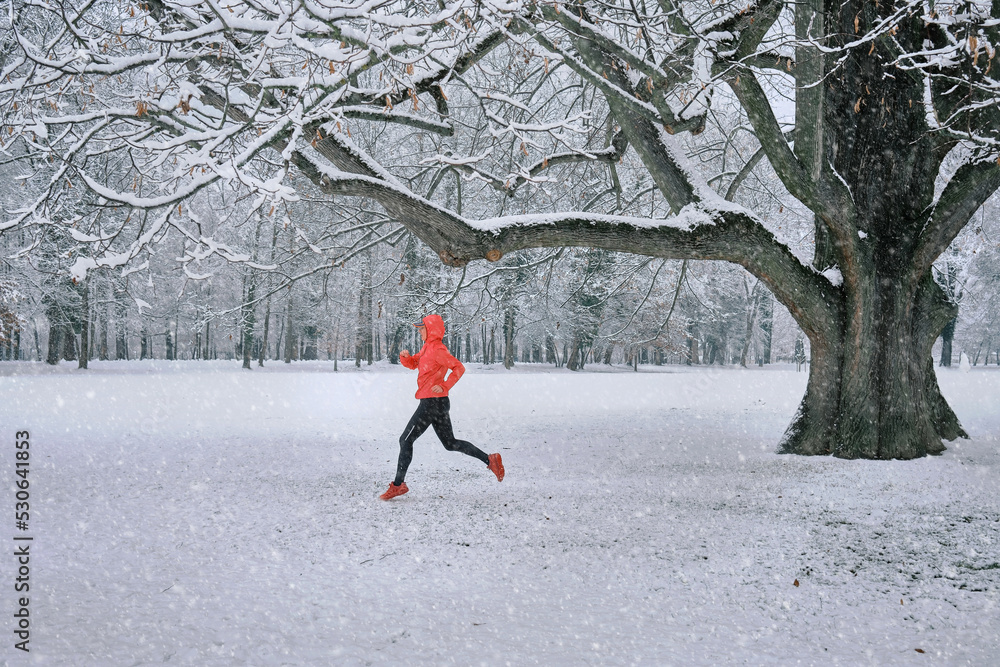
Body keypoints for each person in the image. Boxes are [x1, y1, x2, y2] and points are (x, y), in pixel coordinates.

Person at [379, 314, 504, 500]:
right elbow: (415, 363)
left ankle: (398, 485)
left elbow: (459, 367)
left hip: (432, 403)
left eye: (422, 328)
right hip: (437, 403)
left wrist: (445, 385)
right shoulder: (427, 347)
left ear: (431, 330)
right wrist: (405, 358)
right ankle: (490, 459)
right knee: (450, 443)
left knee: (405, 440)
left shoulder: (438, 349)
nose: (420, 331)